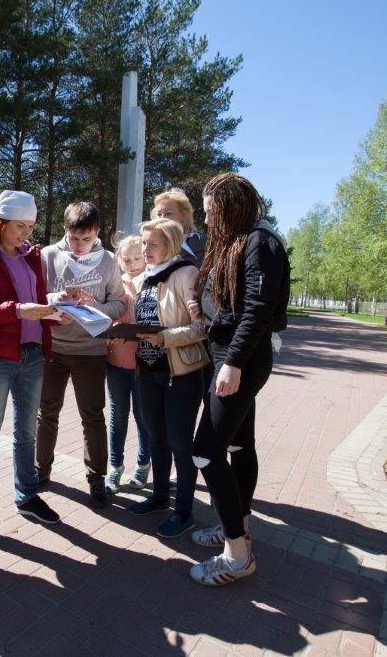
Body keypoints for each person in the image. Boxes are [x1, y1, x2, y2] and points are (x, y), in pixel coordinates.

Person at [187, 172, 290, 587]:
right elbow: (229, 302)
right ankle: (238, 526)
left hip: (239, 360)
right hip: (227, 354)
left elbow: (257, 312)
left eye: (212, 212)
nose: (207, 220)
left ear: (233, 208)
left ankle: (237, 555)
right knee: (237, 446)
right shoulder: (236, 240)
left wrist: (232, 363)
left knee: (205, 452)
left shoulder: (259, 242)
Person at [0, 190, 64, 548]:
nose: (26, 234)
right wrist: (18, 310)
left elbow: (37, 301)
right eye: (20, 226)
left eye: (30, 227)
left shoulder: (31, 255)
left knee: (26, 434)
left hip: (32, 355)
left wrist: (56, 310)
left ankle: (27, 496)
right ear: (1, 222)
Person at [36, 202, 127, 508]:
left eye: (86, 239)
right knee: (46, 412)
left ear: (97, 232)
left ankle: (96, 478)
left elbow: (119, 304)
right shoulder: (48, 255)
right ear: (65, 229)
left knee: (92, 416)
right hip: (53, 348)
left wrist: (94, 307)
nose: (79, 245)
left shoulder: (109, 261)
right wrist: (55, 299)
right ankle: (41, 470)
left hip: (91, 351)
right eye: (74, 238)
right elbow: (34, 296)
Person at [126, 219, 208, 538]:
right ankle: (159, 497)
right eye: (143, 242)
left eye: (152, 244)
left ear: (170, 245)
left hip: (180, 373)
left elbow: (202, 328)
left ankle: (184, 511)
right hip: (148, 371)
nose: (145, 249)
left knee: (179, 443)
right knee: (156, 438)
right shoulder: (145, 278)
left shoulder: (186, 273)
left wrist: (164, 338)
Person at [104, 235, 151, 493]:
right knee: (118, 416)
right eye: (126, 259)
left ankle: (143, 465)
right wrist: (112, 329)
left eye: (136, 258)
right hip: (115, 363)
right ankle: (115, 467)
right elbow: (108, 315)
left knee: (143, 417)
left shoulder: (152, 283)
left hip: (142, 365)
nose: (132, 264)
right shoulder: (116, 285)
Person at [150, 188, 207, 267]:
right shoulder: (147, 244)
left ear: (183, 215)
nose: (162, 218)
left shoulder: (203, 242)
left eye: (169, 213)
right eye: (159, 214)